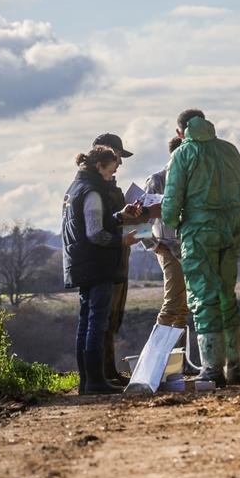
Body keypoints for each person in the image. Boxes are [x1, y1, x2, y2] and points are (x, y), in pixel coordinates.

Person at [161, 109, 240, 387]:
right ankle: (236, 366)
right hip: (232, 227)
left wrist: (171, 221)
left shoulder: (182, 154)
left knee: (203, 296)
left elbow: (172, 201)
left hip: (199, 232)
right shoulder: (230, 150)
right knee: (227, 294)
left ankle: (212, 367)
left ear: (180, 132)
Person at [61, 145, 141, 395]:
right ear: (99, 166)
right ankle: (96, 381)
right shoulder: (93, 191)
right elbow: (95, 232)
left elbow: (94, 221)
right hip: (97, 265)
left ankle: (87, 381)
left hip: (81, 264)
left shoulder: (75, 188)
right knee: (97, 322)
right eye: (111, 168)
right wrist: (121, 241)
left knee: (85, 322)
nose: (113, 172)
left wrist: (118, 215)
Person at [141, 136, 200, 376]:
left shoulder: (192, 178)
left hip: (189, 247)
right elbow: (140, 218)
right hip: (166, 246)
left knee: (183, 307)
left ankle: (180, 362)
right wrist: (154, 246)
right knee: (172, 302)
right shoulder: (156, 180)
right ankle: (153, 365)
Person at [92, 132, 136, 385]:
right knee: (104, 317)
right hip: (110, 258)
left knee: (114, 317)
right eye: (118, 156)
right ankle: (104, 373)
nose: (120, 162)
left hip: (121, 256)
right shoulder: (97, 188)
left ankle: (108, 371)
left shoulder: (108, 186)